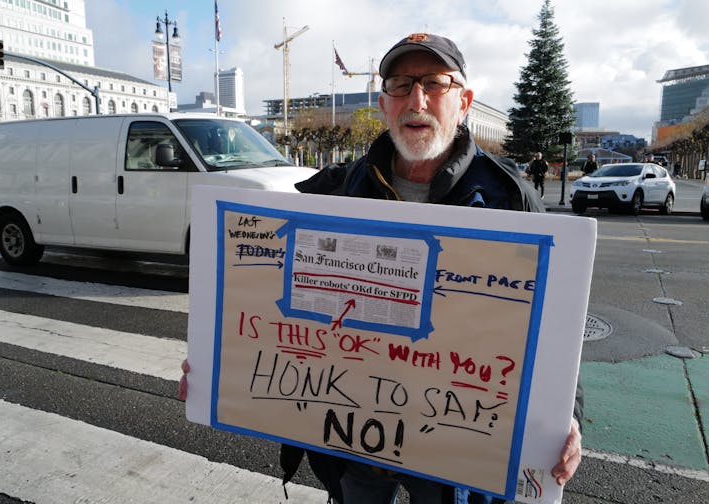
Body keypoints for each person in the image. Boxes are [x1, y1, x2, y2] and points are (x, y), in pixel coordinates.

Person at [180, 33, 583, 504]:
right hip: (353, 445)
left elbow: (557, 327)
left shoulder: (511, 200)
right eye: (400, 84)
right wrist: (211, 366)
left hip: (453, 445)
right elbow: (263, 300)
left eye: (435, 83)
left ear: (464, 101)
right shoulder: (340, 191)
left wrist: (566, 413)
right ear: (384, 103)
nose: (417, 99)